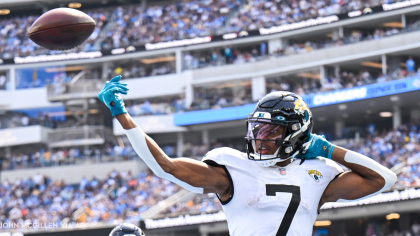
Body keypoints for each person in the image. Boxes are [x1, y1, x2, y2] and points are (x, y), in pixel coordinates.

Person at [98, 76, 397, 236]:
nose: (260, 138)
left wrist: (331, 151)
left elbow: (385, 178)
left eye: (270, 131)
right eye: (258, 129)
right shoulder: (231, 168)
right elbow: (165, 166)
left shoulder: (317, 173)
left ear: (295, 134)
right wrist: (122, 115)